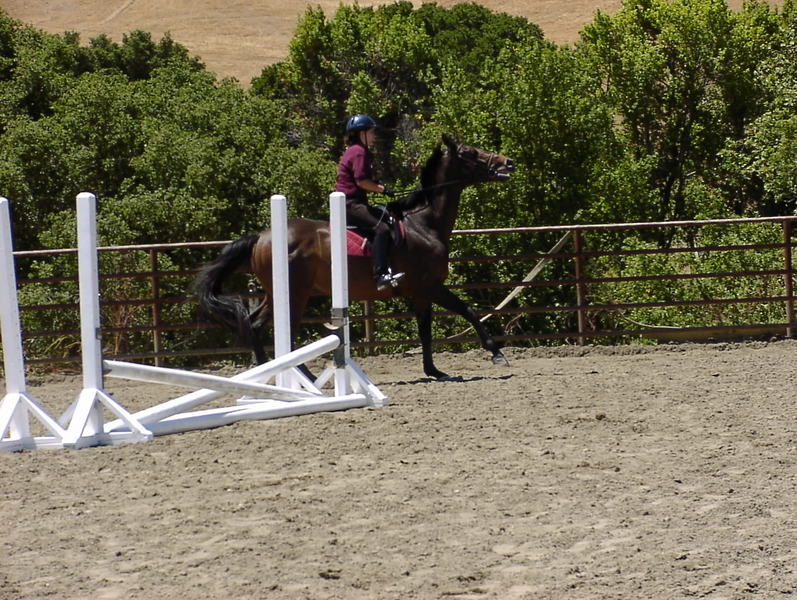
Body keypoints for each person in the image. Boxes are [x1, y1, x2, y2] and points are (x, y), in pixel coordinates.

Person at [336, 114, 404, 291]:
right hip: (351, 205)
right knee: (382, 228)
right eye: (372, 132)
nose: (374, 136)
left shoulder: (355, 150)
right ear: (362, 134)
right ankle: (380, 275)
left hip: (352, 203)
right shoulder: (359, 151)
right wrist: (382, 189)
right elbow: (361, 182)